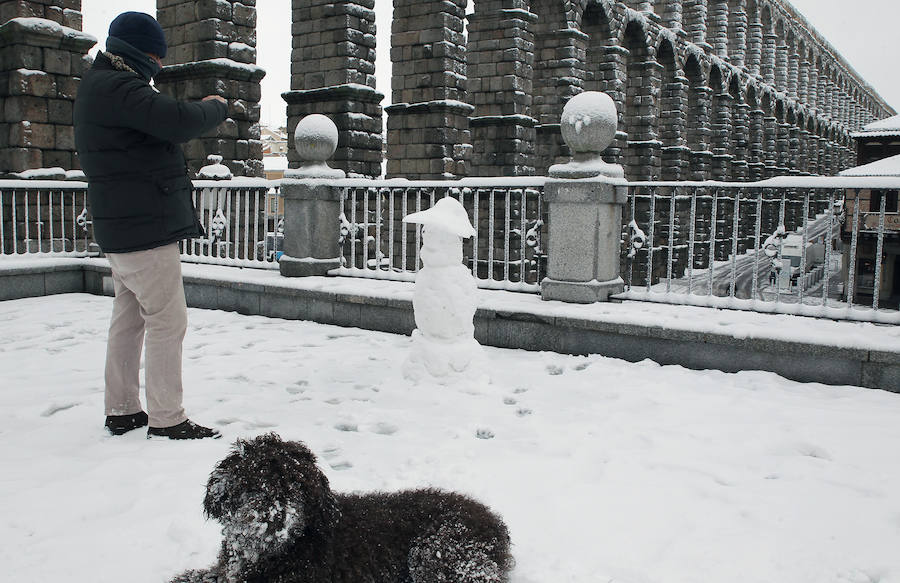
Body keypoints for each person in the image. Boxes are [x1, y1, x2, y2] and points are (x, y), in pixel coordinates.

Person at [74, 12, 228, 440]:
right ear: (141, 52)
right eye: (156, 56)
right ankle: (168, 417)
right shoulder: (121, 87)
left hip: (121, 228)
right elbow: (178, 120)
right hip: (144, 229)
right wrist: (215, 107)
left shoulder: (99, 85)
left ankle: (122, 409)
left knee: (129, 318)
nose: (160, 66)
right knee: (167, 320)